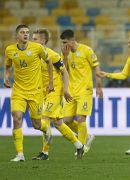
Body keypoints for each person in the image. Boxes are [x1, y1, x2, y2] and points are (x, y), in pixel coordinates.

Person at [31, 28, 85, 160]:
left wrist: (65, 90)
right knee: (59, 123)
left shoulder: (52, 55)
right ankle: (79, 145)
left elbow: (65, 72)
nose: (32, 41)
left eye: (35, 39)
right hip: (42, 92)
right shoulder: (33, 55)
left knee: (44, 118)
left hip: (54, 91)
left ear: (43, 41)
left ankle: (45, 152)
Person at [3, 24, 54, 162]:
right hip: (18, 90)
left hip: (35, 91)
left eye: (27, 32)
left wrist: (50, 82)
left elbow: (49, 62)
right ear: (17, 35)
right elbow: (8, 66)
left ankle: (46, 129)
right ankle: (20, 154)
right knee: (16, 117)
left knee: (37, 124)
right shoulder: (9, 50)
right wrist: (6, 77)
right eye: (22, 32)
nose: (26, 34)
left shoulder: (37, 48)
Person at [60, 29, 103, 155]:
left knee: (81, 118)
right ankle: (87, 136)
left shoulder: (86, 50)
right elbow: (64, 71)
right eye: (62, 43)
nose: (63, 45)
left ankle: (81, 147)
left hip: (85, 90)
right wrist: (65, 57)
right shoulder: (65, 54)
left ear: (72, 40)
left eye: (65, 42)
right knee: (66, 121)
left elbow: (96, 67)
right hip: (71, 91)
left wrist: (99, 86)